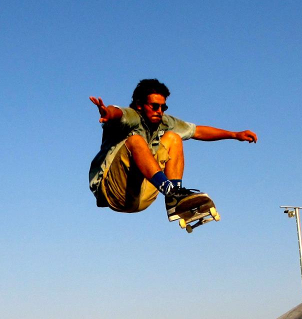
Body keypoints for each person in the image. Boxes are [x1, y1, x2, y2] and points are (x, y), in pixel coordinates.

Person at [88, 78, 257, 218]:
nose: (159, 111)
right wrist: (107, 113)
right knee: (136, 140)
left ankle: (174, 200)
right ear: (139, 105)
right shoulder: (133, 116)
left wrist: (235, 134)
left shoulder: (164, 122)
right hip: (113, 190)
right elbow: (118, 113)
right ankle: (169, 190)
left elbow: (197, 131)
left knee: (173, 137)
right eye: (154, 106)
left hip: (141, 195)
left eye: (163, 107)